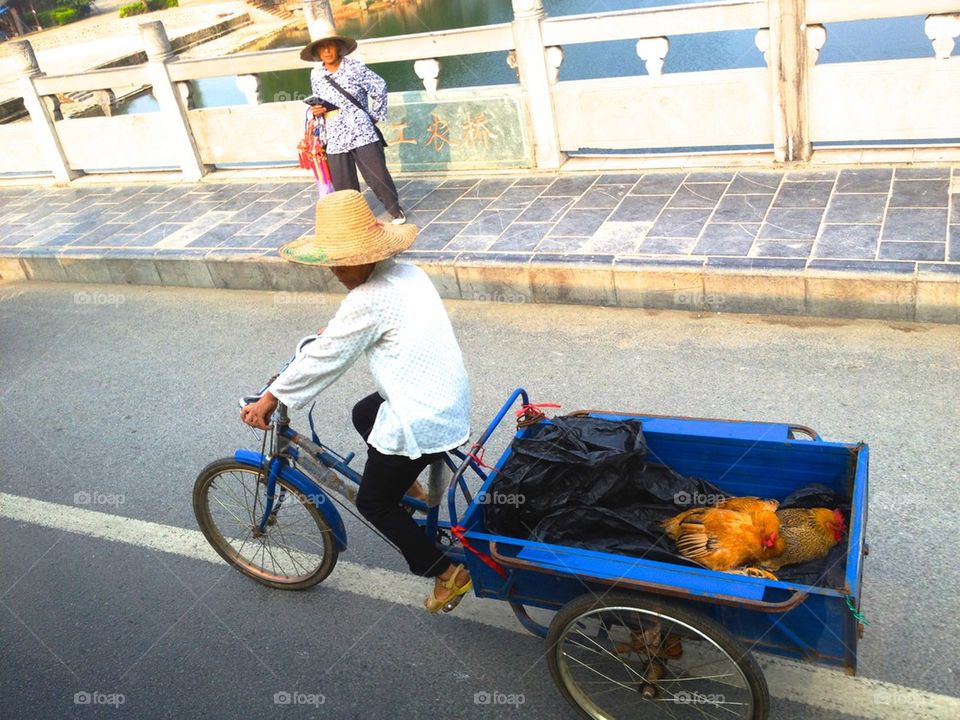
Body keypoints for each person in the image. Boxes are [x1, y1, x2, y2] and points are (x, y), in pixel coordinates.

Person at [240, 189, 472, 613]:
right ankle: (412, 486)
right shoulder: (406, 274)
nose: (334, 271)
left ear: (363, 257)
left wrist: (272, 397)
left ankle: (444, 571)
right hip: (445, 393)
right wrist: (332, 335)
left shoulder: (368, 299)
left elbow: (328, 357)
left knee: (373, 502)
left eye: (340, 262)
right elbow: (342, 334)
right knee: (364, 412)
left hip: (424, 414)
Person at [300, 25, 406, 225]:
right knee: (343, 182)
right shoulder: (316, 75)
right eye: (323, 49)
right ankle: (355, 219)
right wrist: (317, 111)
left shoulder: (355, 67)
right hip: (334, 135)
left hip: (361, 130)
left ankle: (395, 211)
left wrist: (374, 115)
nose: (328, 52)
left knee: (377, 175)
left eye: (331, 47)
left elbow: (379, 87)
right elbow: (319, 101)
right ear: (317, 53)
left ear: (339, 48)